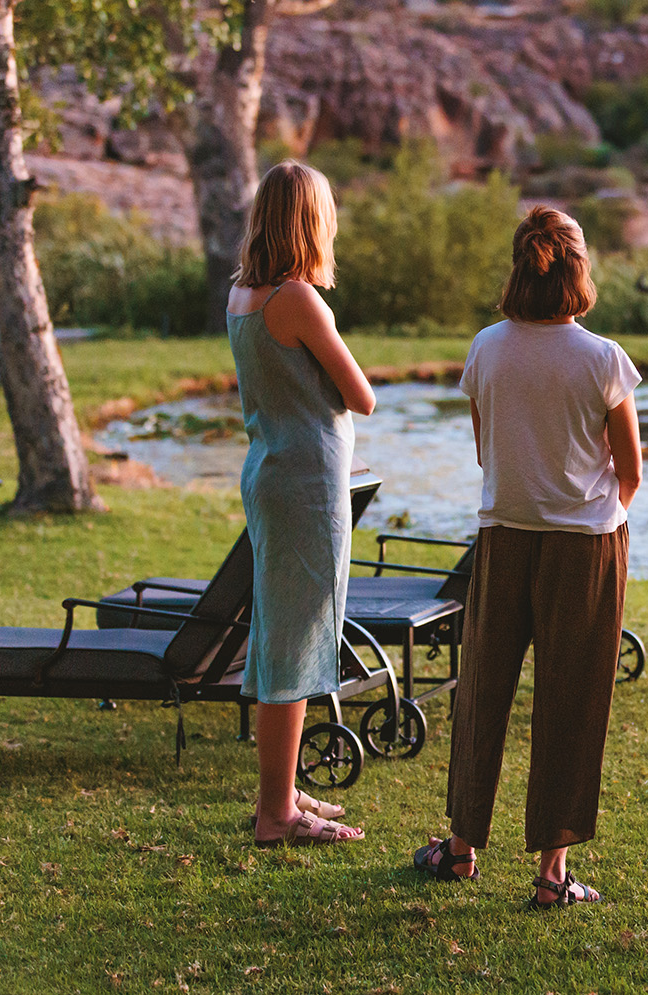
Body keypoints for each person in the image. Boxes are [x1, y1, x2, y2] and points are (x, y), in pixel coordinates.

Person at [413, 207, 643, 909]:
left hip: (505, 535)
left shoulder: (486, 348)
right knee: (572, 699)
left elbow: (488, 452)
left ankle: (460, 849)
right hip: (586, 545)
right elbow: (630, 467)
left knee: (482, 688)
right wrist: (602, 511)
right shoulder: (603, 358)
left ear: (520, 263)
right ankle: (552, 871)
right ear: (579, 267)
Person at [227, 160, 376, 848]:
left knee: (281, 636)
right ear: (311, 221)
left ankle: (281, 791)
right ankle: (276, 815)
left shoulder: (243, 296)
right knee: (292, 645)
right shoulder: (299, 299)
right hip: (306, 486)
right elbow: (360, 394)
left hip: (269, 473)